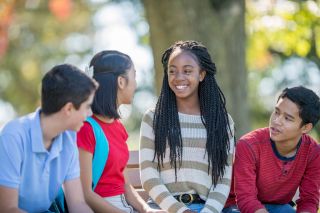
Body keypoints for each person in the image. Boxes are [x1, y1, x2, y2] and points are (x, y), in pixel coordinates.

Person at [139, 40, 235, 213]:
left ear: (202, 74)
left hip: (207, 208)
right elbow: (148, 175)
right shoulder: (153, 118)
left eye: (187, 71)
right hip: (163, 208)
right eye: (172, 71)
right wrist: (179, 210)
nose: (179, 77)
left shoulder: (222, 122)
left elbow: (223, 180)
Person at [77, 50, 166, 213]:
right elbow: (85, 194)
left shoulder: (118, 128)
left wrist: (147, 210)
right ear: (121, 81)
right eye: (134, 76)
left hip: (125, 206)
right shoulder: (86, 129)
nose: (136, 84)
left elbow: (125, 184)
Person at [0, 64, 97, 212]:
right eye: (87, 107)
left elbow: (77, 204)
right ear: (69, 109)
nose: (89, 113)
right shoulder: (13, 136)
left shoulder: (69, 139)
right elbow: (8, 209)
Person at [223, 86, 320, 213]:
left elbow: (309, 200)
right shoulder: (249, 145)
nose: (276, 121)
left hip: (279, 207)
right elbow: (246, 199)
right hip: (237, 207)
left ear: (306, 128)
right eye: (277, 112)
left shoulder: (313, 152)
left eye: (287, 118)